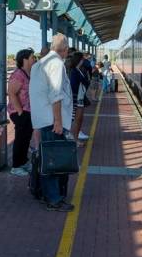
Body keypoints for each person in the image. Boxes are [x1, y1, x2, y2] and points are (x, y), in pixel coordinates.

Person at [28, 33, 75, 212]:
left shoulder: (38, 64)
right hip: (52, 121)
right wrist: (58, 121)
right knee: (54, 162)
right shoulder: (56, 64)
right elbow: (55, 94)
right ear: (65, 50)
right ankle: (54, 199)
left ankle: (46, 194)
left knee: (47, 159)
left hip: (42, 120)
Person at [6, 48, 35, 176]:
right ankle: (16, 166)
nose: (34, 59)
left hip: (28, 111)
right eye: (32, 57)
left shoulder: (28, 73)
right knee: (20, 138)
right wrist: (20, 112)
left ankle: (23, 162)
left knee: (26, 138)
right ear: (25, 59)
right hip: (20, 112)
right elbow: (12, 93)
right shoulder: (18, 74)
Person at [68, 52, 90, 142]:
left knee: (79, 119)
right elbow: (73, 85)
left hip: (79, 98)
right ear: (79, 60)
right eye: (82, 59)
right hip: (76, 98)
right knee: (76, 119)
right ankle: (74, 139)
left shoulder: (78, 70)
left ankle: (75, 138)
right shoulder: (74, 71)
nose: (83, 61)